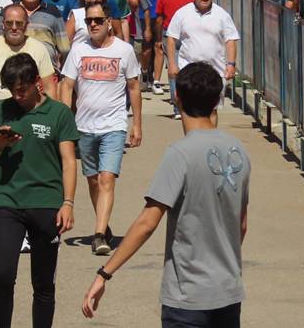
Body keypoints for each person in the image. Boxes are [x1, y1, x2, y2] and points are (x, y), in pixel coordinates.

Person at [81, 62, 251, 327]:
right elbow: (241, 224)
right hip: (228, 293)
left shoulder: (180, 154)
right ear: (217, 100)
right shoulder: (238, 150)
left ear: (177, 98)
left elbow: (147, 223)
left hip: (187, 298)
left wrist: (104, 274)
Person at [0, 54, 78, 328]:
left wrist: (68, 203)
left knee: (44, 282)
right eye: (12, 89)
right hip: (6, 202)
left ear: (38, 82)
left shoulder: (59, 113)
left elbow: (69, 161)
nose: (17, 94)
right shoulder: (2, 109)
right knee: (2, 276)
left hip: (46, 203)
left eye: (22, 88)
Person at [60, 3, 142, 256]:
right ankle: (103, 225)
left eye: (98, 20)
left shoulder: (124, 50)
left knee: (107, 179)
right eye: (89, 21)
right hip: (84, 126)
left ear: (109, 22)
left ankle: (98, 235)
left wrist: (136, 123)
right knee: (93, 181)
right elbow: (66, 86)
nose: (93, 24)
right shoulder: (78, 50)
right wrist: (65, 122)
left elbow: (134, 87)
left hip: (114, 125)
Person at [166, 0, 239, 125]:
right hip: (188, 69)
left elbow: (230, 39)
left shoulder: (222, 15)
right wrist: (172, 64)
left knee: (212, 109)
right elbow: (171, 39)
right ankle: (192, 141)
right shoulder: (182, 13)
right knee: (189, 109)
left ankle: (210, 141)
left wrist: (231, 64)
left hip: (215, 70)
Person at [0, 4, 57, 104]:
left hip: (30, 114)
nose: (14, 27)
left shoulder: (39, 49)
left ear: (27, 25)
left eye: (19, 23)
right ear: (3, 24)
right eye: (9, 23)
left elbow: (49, 88)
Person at [155, 0, 195, 111]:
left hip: (169, 33)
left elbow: (159, 18)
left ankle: (177, 105)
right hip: (188, 33)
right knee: (189, 67)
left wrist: (158, 38)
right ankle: (188, 101)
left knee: (173, 68)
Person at [133, 0, 170, 95]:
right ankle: (145, 71)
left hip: (160, 16)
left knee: (158, 47)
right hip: (144, 16)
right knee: (146, 49)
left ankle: (156, 81)